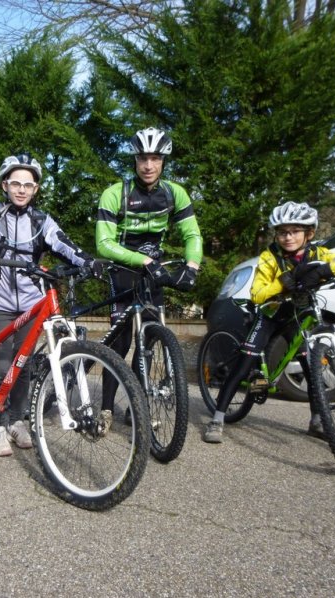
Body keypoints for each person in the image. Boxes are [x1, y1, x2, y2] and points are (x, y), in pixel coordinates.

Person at [0, 152, 107, 457]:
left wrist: (88, 261)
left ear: (35, 189)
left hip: (32, 300)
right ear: (5, 185)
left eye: (27, 185)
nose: (20, 190)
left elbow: (62, 243)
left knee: (25, 362)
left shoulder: (41, 221)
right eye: (15, 183)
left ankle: (18, 421)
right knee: (3, 363)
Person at [202, 201, 335, 443]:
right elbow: (257, 294)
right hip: (271, 315)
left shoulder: (317, 253)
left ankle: (316, 421)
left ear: (308, 233)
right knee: (245, 363)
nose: (288, 237)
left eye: (295, 231)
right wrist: (284, 281)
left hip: (297, 317)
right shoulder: (270, 257)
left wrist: (325, 271)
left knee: (310, 366)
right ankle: (217, 419)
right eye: (282, 232)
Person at [95, 127, 203, 428]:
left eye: (155, 158)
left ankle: (136, 406)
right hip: (124, 271)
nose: (148, 165)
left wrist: (192, 265)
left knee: (150, 340)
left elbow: (192, 233)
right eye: (143, 157)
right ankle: (105, 409)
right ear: (135, 159)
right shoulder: (116, 193)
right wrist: (143, 260)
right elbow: (104, 244)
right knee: (120, 343)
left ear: (163, 161)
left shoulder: (174, 193)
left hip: (154, 273)